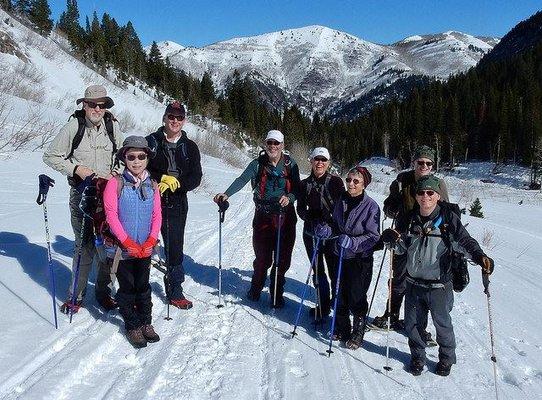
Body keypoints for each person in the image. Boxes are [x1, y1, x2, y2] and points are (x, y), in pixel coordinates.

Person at [381, 175, 494, 376]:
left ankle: (446, 358)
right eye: (421, 193)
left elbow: (465, 242)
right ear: (416, 196)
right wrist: (391, 240)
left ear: (437, 196)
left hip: (440, 285)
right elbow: (400, 248)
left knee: (443, 324)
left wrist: (480, 256)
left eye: (430, 193)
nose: (425, 197)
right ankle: (417, 357)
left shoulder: (448, 219)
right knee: (413, 325)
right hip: (414, 282)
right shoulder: (408, 219)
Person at [43, 84, 124, 313]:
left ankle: (103, 293)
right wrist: (76, 168)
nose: (97, 109)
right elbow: (50, 156)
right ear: (84, 105)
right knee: (84, 247)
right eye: (92, 105)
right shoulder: (73, 126)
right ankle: (75, 296)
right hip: (82, 194)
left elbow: (123, 154)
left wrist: (115, 174)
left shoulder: (112, 126)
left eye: (102, 105)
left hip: (108, 195)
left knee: (109, 247)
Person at [213, 130, 300, 308]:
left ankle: (277, 292)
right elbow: (242, 179)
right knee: (262, 257)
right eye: (270, 143)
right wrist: (227, 193)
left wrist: (290, 197)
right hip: (263, 215)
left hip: (285, 217)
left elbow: (297, 187)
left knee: (282, 258)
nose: (273, 146)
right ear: (265, 144)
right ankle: (256, 287)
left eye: (276, 143)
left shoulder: (291, 165)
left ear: (282, 145)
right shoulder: (257, 164)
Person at [372, 145, 450, 331]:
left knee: (423, 282)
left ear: (432, 166)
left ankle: (418, 325)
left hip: (428, 240)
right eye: (420, 162)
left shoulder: (438, 184)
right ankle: (391, 315)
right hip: (402, 237)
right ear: (414, 162)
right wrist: (392, 208)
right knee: (398, 278)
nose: (424, 166)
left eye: (428, 163)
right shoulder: (401, 181)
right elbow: (388, 207)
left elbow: (446, 212)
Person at [103, 136, 162, 348]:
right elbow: (111, 215)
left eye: (141, 156)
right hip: (122, 249)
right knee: (127, 288)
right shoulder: (115, 183)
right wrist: (127, 241)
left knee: (143, 286)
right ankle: (132, 324)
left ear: (147, 158)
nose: (136, 161)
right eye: (131, 157)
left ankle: (146, 322)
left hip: (145, 247)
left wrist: (152, 239)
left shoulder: (153, 184)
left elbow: (157, 215)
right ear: (124, 158)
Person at [146, 101, 202, 310]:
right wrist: (161, 178)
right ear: (165, 117)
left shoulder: (190, 147)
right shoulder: (151, 141)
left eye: (179, 118)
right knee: (143, 243)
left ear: (184, 120)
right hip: (149, 198)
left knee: (174, 246)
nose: (175, 121)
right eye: (171, 116)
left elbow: (196, 177)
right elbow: (138, 165)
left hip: (176, 202)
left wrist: (178, 184)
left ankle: (175, 289)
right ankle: (138, 288)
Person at [329, 166, 380, 350]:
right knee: (339, 291)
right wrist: (329, 231)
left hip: (360, 258)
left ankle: (358, 330)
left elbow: (374, 236)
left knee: (356, 295)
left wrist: (353, 243)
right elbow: (335, 223)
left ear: (364, 184)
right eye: (349, 179)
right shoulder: (341, 199)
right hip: (339, 254)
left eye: (355, 181)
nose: (350, 184)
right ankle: (342, 327)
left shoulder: (371, 206)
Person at [296, 147, 345, 319]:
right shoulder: (303, 184)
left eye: (323, 160)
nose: (320, 163)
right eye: (317, 159)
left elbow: (342, 208)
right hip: (311, 235)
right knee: (318, 271)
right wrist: (311, 218)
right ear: (311, 161)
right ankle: (323, 306)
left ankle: (337, 307)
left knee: (335, 272)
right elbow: (300, 209)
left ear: (328, 163)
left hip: (332, 236)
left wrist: (331, 223)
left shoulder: (337, 183)